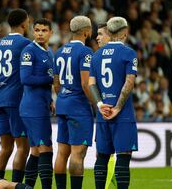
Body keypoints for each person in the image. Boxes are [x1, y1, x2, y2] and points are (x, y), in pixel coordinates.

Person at [89, 17, 138, 189]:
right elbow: (129, 82)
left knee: (102, 157)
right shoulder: (129, 53)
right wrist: (117, 107)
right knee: (123, 158)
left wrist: (100, 105)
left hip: (103, 114)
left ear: (109, 32)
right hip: (122, 115)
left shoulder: (96, 56)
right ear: (125, 33)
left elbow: (91, 84)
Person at [53, 16, 94, 189]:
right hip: (79, 107)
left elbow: (56, 84)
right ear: (86, 31)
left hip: (62, 103)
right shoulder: (85, 52)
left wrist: (64, 97)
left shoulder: (60, 51)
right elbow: (86, 84)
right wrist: (96, 104)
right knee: (78, 153)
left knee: (62, 153)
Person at [0, 9, 31, 182]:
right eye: (28, 22)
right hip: (14, 99)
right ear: (24, 23)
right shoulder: (25, 43)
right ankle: (16, 186)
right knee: (22, 147)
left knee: (5, 148)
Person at [19, 18, 54, 189]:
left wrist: (51, 100)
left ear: (51, 33)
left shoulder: (49, 52)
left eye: (44, 30)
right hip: (33, 108)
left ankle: (28, 187)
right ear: (33, 32)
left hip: (40, 106)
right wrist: (50, 79)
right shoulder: (29, 51)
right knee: (46, 148)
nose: (40, 33)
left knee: (35, 151)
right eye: (37, 30)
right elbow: (25, 78)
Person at [96, 23, 117, 189]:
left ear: (111, 35)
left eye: (101, 34)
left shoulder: (98, 57)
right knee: (103, 152)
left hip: (114, 110)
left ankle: (110, 181)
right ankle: (108, 182)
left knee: (106, 153)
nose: (97, 38)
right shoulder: (96, 57)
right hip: (102, 111)